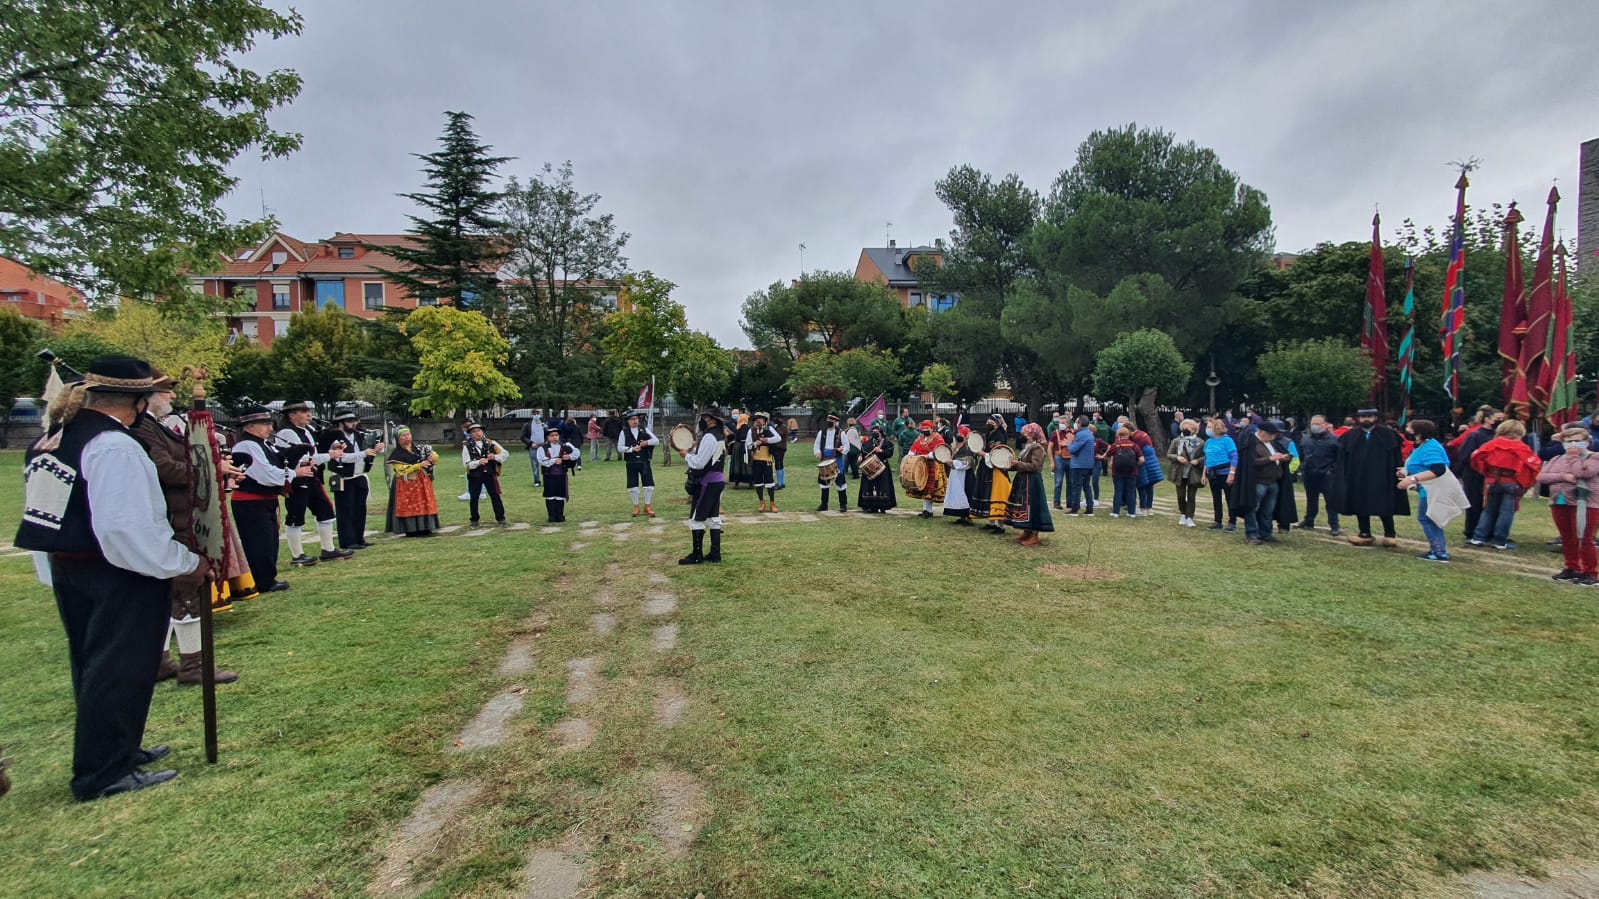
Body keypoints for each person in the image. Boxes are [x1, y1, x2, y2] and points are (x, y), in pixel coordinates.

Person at [14, 356, 206, 800]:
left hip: (73, 568)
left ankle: (117, 750)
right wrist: (180, 563)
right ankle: (103, 772)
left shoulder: (56, 438)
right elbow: (126, 526)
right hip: (117, 570)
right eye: (154, 394)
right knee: (118, 667)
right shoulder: (112, 444)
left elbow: (48, 516)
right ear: (136, 401)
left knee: (94, 665)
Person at [129, 379, 238, 687]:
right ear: (148, 396)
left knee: (170, 593)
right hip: (173, 517)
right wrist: (207, 472)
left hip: (178, 514)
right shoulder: (143, 429)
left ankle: (160, 660)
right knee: (185, 590)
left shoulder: (153, 425)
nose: (173, 396)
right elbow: (163, 468)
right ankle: (192, 664)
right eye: (167, 391)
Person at [232, 404, 311, 590]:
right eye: (264, 424)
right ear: (249, 426)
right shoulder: (247, 445)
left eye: (270, 424)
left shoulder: (262, 443)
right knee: (260, 542)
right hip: (251, 501)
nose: (270, 428)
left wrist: (295, 452)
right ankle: (262, 581)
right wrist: (294, 473)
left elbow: (279, 460)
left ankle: (267, 578)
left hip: (264, 500)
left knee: (270, 541)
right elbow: (266, 474)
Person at [274, 402, 353, 567]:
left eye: (308, 411)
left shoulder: (306, 431)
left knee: (325, 510)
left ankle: (328, 549)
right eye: (303, 411)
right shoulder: (287, 432)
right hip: (296, 478)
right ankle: (297, 555)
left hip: (311, 476)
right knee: (296, 515)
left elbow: (314, 454)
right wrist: (330, 455)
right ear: (292, 415)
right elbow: (302, 458)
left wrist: (332, 448)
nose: (308, 414)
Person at [1333, 408, 1410, 547]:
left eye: (1369, 416)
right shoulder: (1351, 435)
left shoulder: (1388, 434)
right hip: (1358, 477)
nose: (1366, 420)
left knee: (1385, 505)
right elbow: (1343, 458)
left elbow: (1396, 458)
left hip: (1382, 477)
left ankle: (1389, 534)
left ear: (1375, 417)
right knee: (1360, 504)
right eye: (1363, 417)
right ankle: (1364, 533)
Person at [1467, 418, 1542, 550]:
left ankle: (1479, 537)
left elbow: (1475, 457)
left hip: (1491, 480)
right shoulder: (1522, 448)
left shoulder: (1491, 444)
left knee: (1489, 509)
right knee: (1506, 512)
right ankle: (1499, 540)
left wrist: (1484, 470)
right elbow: (1534, 465)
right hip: (1512, 482)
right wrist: (1526, 482)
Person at [1539, 427, 1599, 585]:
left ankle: (1590, 572)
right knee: (1567, 538)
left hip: (1586, 504)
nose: (1573, 444)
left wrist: (1573, 459)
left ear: (1586, 442)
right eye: (1568, 441)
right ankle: (1572, 567)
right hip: (1559, 502)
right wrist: (1563, 476)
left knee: (1584, 538)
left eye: (1578, 441)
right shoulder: (1556, 459)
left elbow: (1583, 473)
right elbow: (1542, 476)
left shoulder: (1594, 458)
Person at [1400, 419, 1459, 562]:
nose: (1406, 429)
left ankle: (1439, 552)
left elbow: (1438, 469)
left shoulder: (1430, 447)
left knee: (1427, 519)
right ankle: (1438, 550)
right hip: (1427, 489)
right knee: (1430, 519)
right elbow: (1421, 465)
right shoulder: (1421, 446)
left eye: (1408, 427)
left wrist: (1412, 479)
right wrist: (1406, 471)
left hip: (1434, 489)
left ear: (1418, 432)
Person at [324, 411, 382, 550]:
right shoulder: (334, 438)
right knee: (345, 510)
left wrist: (376, 449)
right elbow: (341, 457)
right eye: (350, 421)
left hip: (359, 475)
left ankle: (359, 538)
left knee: (360, 509)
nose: (354, 424)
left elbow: (366, 452)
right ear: (340, 423)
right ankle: (347, 541)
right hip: (341, 477)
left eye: (355, 421)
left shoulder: (359, 435)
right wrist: (363, 453)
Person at [1231, 419, 1293, 545]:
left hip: (1273, 482)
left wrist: (1283, 457)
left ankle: (1266, 534)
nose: (1274, 437)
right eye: (1272, 434)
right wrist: (1270, 458)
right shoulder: (1250, 443)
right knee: (1252, 508)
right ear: (1263, 433)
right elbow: (1251, 462)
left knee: (1268, 510)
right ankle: (1252, 534)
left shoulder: (1272, 444)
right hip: (1257, 482)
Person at [681, 407, 728, 564]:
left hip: (707, 482)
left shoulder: (710, 436)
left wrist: (687, 456)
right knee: (713, 517)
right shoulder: (720, 435)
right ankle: (715, 554)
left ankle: (697, 555)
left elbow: (700, 463)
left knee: (696, 519)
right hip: (718, 481)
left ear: (712, 420)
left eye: (706, 418)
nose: (703, 421)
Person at [1450, 407, 1502, 541]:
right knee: (1475, 502)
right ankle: (1471, 530)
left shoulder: (1497, 436)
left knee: (1491, 504)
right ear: (1487, 419)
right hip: (1474, 473)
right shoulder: (1476, 435)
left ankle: (1488, 530)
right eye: (1498, 419)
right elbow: (1464, 455)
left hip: (1491, 474)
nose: (1501, 421)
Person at [1005, 423, 1055, 546]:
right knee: (1024, 506)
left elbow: (1035, 466)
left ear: (1032, 434)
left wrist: (1017, 464)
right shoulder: (1028, 447)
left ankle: (1034, 535)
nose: (1023, 435)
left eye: (1025, 433)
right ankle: (1026, 532)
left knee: (1033, 506)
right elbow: (1022, 463)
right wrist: (1011, 466)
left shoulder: (1037, 448)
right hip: (1024, 479)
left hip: (1032, 481)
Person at [385, 427, 440, 536]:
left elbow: (435, 458)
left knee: (424, 503)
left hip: (422, 481)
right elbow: (401, 470)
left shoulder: (419, 449)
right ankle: (411, 529)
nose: (407, 437)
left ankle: (425, 527)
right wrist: (418, 465)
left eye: (408, 434)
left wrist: (432, 458)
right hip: (406, 483)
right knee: (409, 505)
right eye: (403, 435)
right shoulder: (397, 454)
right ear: (398, 439)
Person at [1297, 414, 1342, 536]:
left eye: (1318, 424)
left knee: (1330, 501)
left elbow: (1340, 459)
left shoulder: (1334, 440)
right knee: (1311, 499)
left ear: (1326, 425)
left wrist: (1331, 471)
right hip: (1310, 474)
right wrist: (1303, 468)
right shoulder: (1305, 439)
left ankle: (1334, 524)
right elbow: (1301, 454)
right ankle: (1309, 520)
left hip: (1327, 475)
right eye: (1313, 424)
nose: (1315, 426)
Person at [461, 423, 509, 526]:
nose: (477, 433)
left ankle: (500, 517)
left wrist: (495, 457)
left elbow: (505, 454)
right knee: (474, 497)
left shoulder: (491, 443)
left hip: (489, 473)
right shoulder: (467, 446)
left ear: (482, 432)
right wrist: (478, 462)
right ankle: (474, 519)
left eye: (479, 431)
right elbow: (466, 463)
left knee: (495, 495)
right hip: (475, 475)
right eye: (474, 432)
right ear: (470, 434)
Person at [618, 410, 659, 517]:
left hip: (644, 460)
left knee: (648, 484)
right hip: (631, 461)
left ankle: (647, 506)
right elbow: (620, 447)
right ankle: (636, 506)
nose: (634, 421)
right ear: (627, 421)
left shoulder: (644, 429)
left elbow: (656, 440)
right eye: (632, 419)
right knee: (632, 485)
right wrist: (631, 449)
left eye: (636, 419)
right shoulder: (624, 432)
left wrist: (647, 442)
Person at [976, 414, 1013, 533]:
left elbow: (998, 454)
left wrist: (983, 454)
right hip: (987, 468)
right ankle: (991, 522)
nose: (988, 423)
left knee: (997, 494)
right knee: (989, 492)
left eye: (991, 421)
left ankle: (1000, 526)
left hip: (997, 469)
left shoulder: (1000, 436)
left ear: (997, 424)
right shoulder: (989, 434)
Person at [1167, 418, 1205, 528]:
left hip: (1194, 472)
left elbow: (1205, 456)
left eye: (1188, 427)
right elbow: (1169, 454)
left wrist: (1198, 461)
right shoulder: (1177, 441)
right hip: (1179, 471)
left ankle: (1190, 517)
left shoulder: (1200, 442)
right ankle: (1183, 513)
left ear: (1194, 429)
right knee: (1180, 495)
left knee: (1191, 496)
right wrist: (1177, 457)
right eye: (1183, 427)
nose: (1185, 429)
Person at [905, 420, 948, 517]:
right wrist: (909, 456)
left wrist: (928, 456)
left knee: (930, 489)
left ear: (932, 429)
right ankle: (926, 510)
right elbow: (913, 449)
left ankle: (929, 511)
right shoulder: (920, 438)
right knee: (923, 487)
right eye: (923, 429)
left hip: (933, 465)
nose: (925, 431)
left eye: (927, 429)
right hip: (922, 465)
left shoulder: (938, 438)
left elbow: (941, 451)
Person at [536, 427, 580, 522]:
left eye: (556, 435)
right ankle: (551, 515)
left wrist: (569, 456)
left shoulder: (565, 445)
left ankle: (560, 515)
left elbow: (577, 452)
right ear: (547, 437)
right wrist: (553, 461)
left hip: (561, 474)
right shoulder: (542, 448)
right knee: (550, 494)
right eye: (552, 436)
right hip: (549, 475)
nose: (555, 437)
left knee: (560, 495)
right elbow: (541, 460)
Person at [1203, 417, 1238, 531]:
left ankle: (1232, 522)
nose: (1207, 429)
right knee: (1216, 498)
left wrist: (1232, 473)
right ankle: (1217, 521)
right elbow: (1206, 458)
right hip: (1212, 473)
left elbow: (1234, 456)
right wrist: (1204, 474)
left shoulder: (1227, 440)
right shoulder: (1209, 441)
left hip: (1225, 472)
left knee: (1229, 497)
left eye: (1209, 427)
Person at [745, 412, 783, 512]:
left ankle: (772, 503)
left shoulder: (769, 429)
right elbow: (748, 445)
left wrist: (767, 440)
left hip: (767, 459)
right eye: (757, 419)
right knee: (758, 481)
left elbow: (778, 438)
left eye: (761, 419)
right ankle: (762, 502)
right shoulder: (751, 431)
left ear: (765, 421)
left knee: (769, 481)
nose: (758, 421)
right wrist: (754, 444)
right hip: (756, 459)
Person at [813, 412, 850, 512]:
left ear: (836, 422)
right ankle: (824, 504)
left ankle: (843, 505)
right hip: (825, 459)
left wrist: (843, 449)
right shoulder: (822, 432)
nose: (829, 422)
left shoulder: (841, 433)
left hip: (836, 459)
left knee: (840, 482)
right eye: (828, 421)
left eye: (832, 421)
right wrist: (817, 452)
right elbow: (816, 445)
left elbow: (847, 446)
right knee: (824, 482)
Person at [857, 425, 898, 513]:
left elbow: (890, 453)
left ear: (881, 432)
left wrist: (881, 451)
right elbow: (863, 452)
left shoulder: (887, 443)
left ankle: (883, 507)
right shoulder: (867, 443)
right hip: (870, 469)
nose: (875, 433)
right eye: (873, 431)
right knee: (870, 486)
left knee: (883, 486)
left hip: (883, 467)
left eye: (877, 432)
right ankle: (871, 506)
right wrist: (860, 456)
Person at [944, 424, 977, 524]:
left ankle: (969, 517)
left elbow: (968, 462)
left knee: (967, 494)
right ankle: (962, 515)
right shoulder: (956, 448)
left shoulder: (968, 448)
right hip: (957, 475)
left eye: (961, 434)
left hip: (966, 476)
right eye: (958, 433)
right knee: (958, 493)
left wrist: (953, 462)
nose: (959, 435)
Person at [1104, 427, 1140, 518]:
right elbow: (1142, 459)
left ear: (1118, 435)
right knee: (1131, 492)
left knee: (1118, 491)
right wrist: (1135, 465)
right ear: (1128, 434)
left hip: (1117, 472)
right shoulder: (1134, 445)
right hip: (1132, 473)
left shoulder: (1116, 445)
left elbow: (1107, 455)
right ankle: (1132, 513)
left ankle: (1116, 512)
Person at [1131, 428, 1162, 514]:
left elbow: (1137, 453)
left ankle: (1142, 508)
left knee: (1142, 486)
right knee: (1149, 486)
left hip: (1143, 465)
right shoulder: (1142, 434)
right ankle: (1149, 507)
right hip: (1151, 464)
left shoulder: (1136, 438)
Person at [1049, 416, 1072, 510]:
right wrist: (1051, 461)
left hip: (1071, 458)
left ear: (1068, 424)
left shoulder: (1073, 433)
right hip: (1059, 458)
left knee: (1070, 482)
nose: (1061, 424)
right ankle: (1056, 502)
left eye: (1063, 423)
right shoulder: (1055, 433)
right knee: (1058, 482)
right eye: (1060, 423)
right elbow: (1050, 447)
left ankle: (1070, 502)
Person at [519, 415, 543, 487]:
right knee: (535, 464)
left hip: (543, 447)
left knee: (546, 463)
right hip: (533, 448)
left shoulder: (543, 425)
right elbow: (522, 436)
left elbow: (548, 434)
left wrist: (546, 442)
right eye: (535, 413)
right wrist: (531, 443)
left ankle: (547, 479)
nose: (537, 415)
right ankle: (536, 480)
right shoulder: (528, 425)